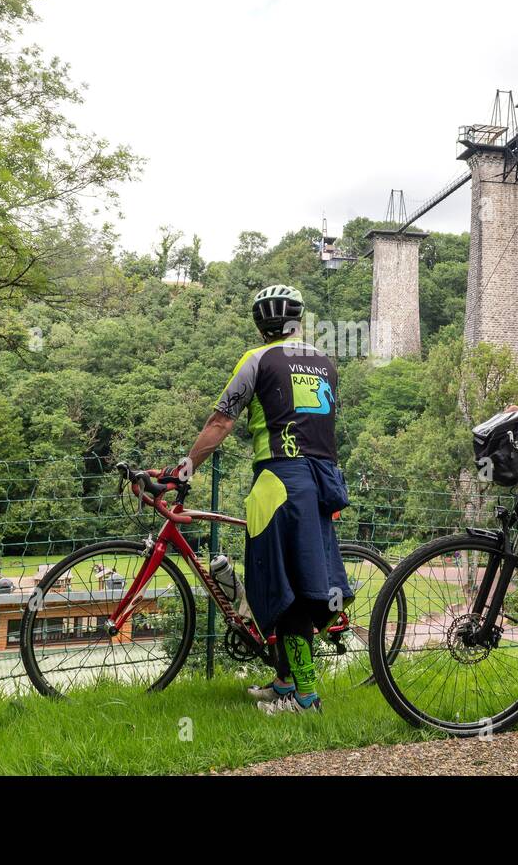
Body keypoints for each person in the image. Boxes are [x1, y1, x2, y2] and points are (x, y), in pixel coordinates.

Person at [160, 284, 352, 716]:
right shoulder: (325, 362)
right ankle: (285, 683)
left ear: (260, 324)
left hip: (279, 481)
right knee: (306, 582)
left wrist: (183, 469)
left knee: (289, 591)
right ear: (296, 320)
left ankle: (305, 698)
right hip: (323, 482)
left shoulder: (257, 359)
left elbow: (221, 421)